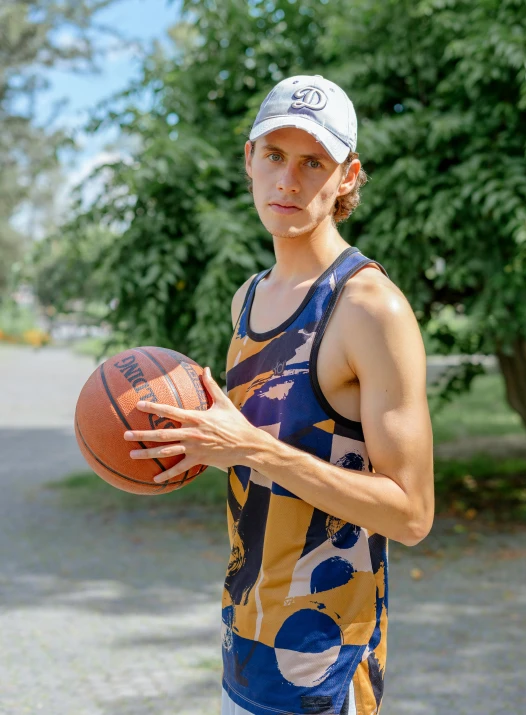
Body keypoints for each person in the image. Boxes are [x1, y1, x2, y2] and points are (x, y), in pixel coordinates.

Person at [126, 74, 434, 715]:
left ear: (347, 176)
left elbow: (411, 514)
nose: (288, 181)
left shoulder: (370, 308)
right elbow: (257, 456)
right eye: (274, 156)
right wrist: (200, 449)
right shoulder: (248, 299)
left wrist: (253, 451)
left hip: (324, 663)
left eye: (312, 162)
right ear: (249, 160)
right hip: (243, 639)